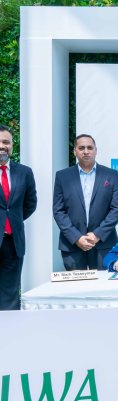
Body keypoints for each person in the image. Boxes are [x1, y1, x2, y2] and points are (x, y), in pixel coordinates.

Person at [53, 134, 118, 270]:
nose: (86, 151)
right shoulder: (62, 176)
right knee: (76, 284)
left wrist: (98, 234)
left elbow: (116, 208)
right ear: (75, 151)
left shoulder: (110, 175)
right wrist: (76, 237)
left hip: (103, 244)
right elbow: (58, 211)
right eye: (81, 148)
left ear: (96, 150)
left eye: (90, 148)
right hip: (72, 244)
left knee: (103, 283)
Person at [0, 125, 37, 310]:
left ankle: (7, 327)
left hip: (13, 242)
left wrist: (12, 220)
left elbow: (30, 204)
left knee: (10, 293)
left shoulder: (24, 172)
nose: (2, 146)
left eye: (6, 142)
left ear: (12, 145)